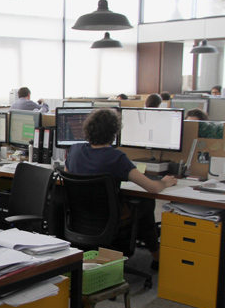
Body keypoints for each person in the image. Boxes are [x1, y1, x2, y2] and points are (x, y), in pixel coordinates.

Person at [65, 109, 177, 268]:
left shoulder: (74, 151)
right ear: (114, 132)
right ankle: (156, 257)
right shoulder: (117, 158)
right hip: (109, 220)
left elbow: (72, 180)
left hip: (79, 219)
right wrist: (165, 182)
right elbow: (152, 188)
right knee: (146, 203)